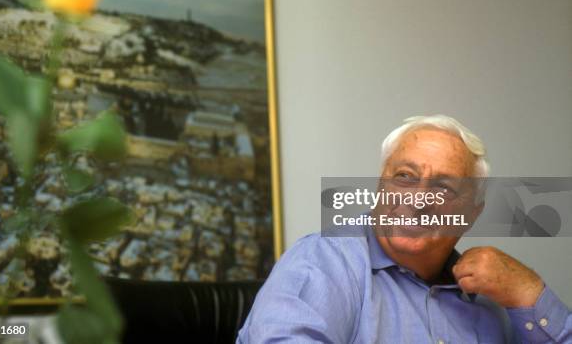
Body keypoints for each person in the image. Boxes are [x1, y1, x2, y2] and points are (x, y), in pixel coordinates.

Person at [237, 115, 571, 343]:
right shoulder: (326, 260)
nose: (418, 200)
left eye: (444, 187)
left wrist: (529, 293)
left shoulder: (492, 297)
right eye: (404, 177)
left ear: (471, 213)